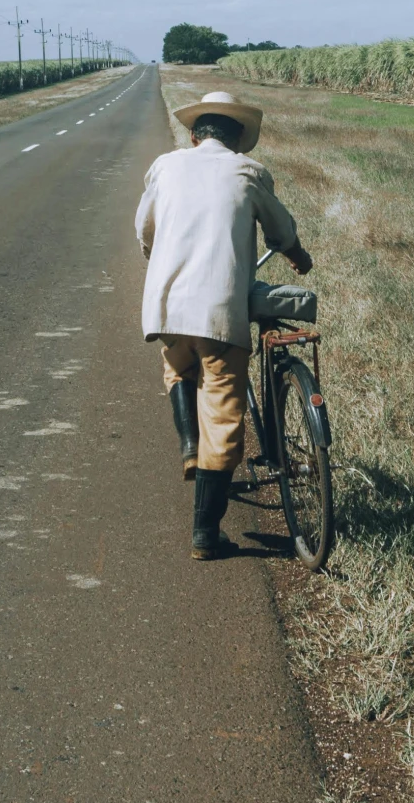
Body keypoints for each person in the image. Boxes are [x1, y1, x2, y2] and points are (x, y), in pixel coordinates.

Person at [134, 90, 312, 559]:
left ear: (194, 135)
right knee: (223, 416)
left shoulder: (165, 166)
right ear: (237, 140)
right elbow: (282, 231)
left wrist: (158, 261)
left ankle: (189, 445)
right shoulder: (249, 173)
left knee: (177, 367)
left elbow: (144, 231)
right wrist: (298, 257)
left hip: (168, 308)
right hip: (217, 312)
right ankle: (205, 534)